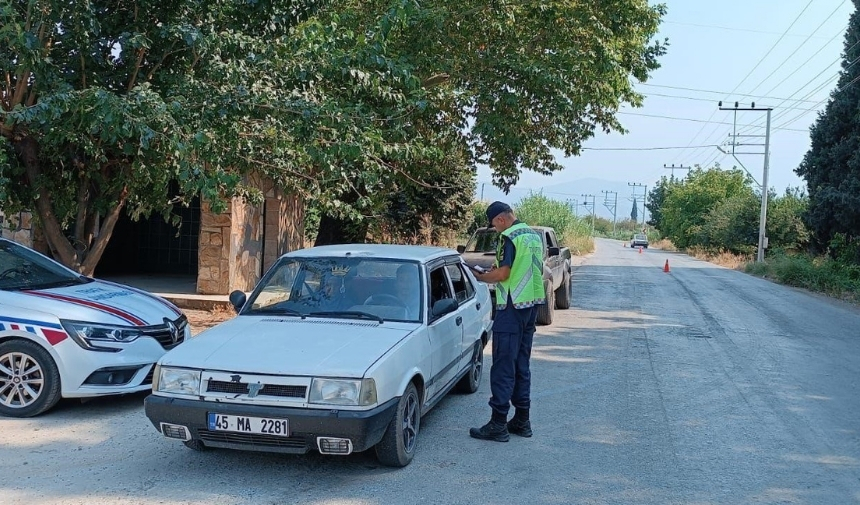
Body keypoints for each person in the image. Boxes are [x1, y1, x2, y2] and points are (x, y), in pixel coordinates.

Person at [469, 201, 545, 442]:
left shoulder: (508, 237)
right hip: (531, 306)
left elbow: (503, 275)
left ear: (500, 219)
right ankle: (522, 420)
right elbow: (530, 268)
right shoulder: (532, 235)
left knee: (503, 366)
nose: (495, 229)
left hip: (511, 309)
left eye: (493, 225)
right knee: (521, 364)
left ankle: (498, 424)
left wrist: (481, 277)